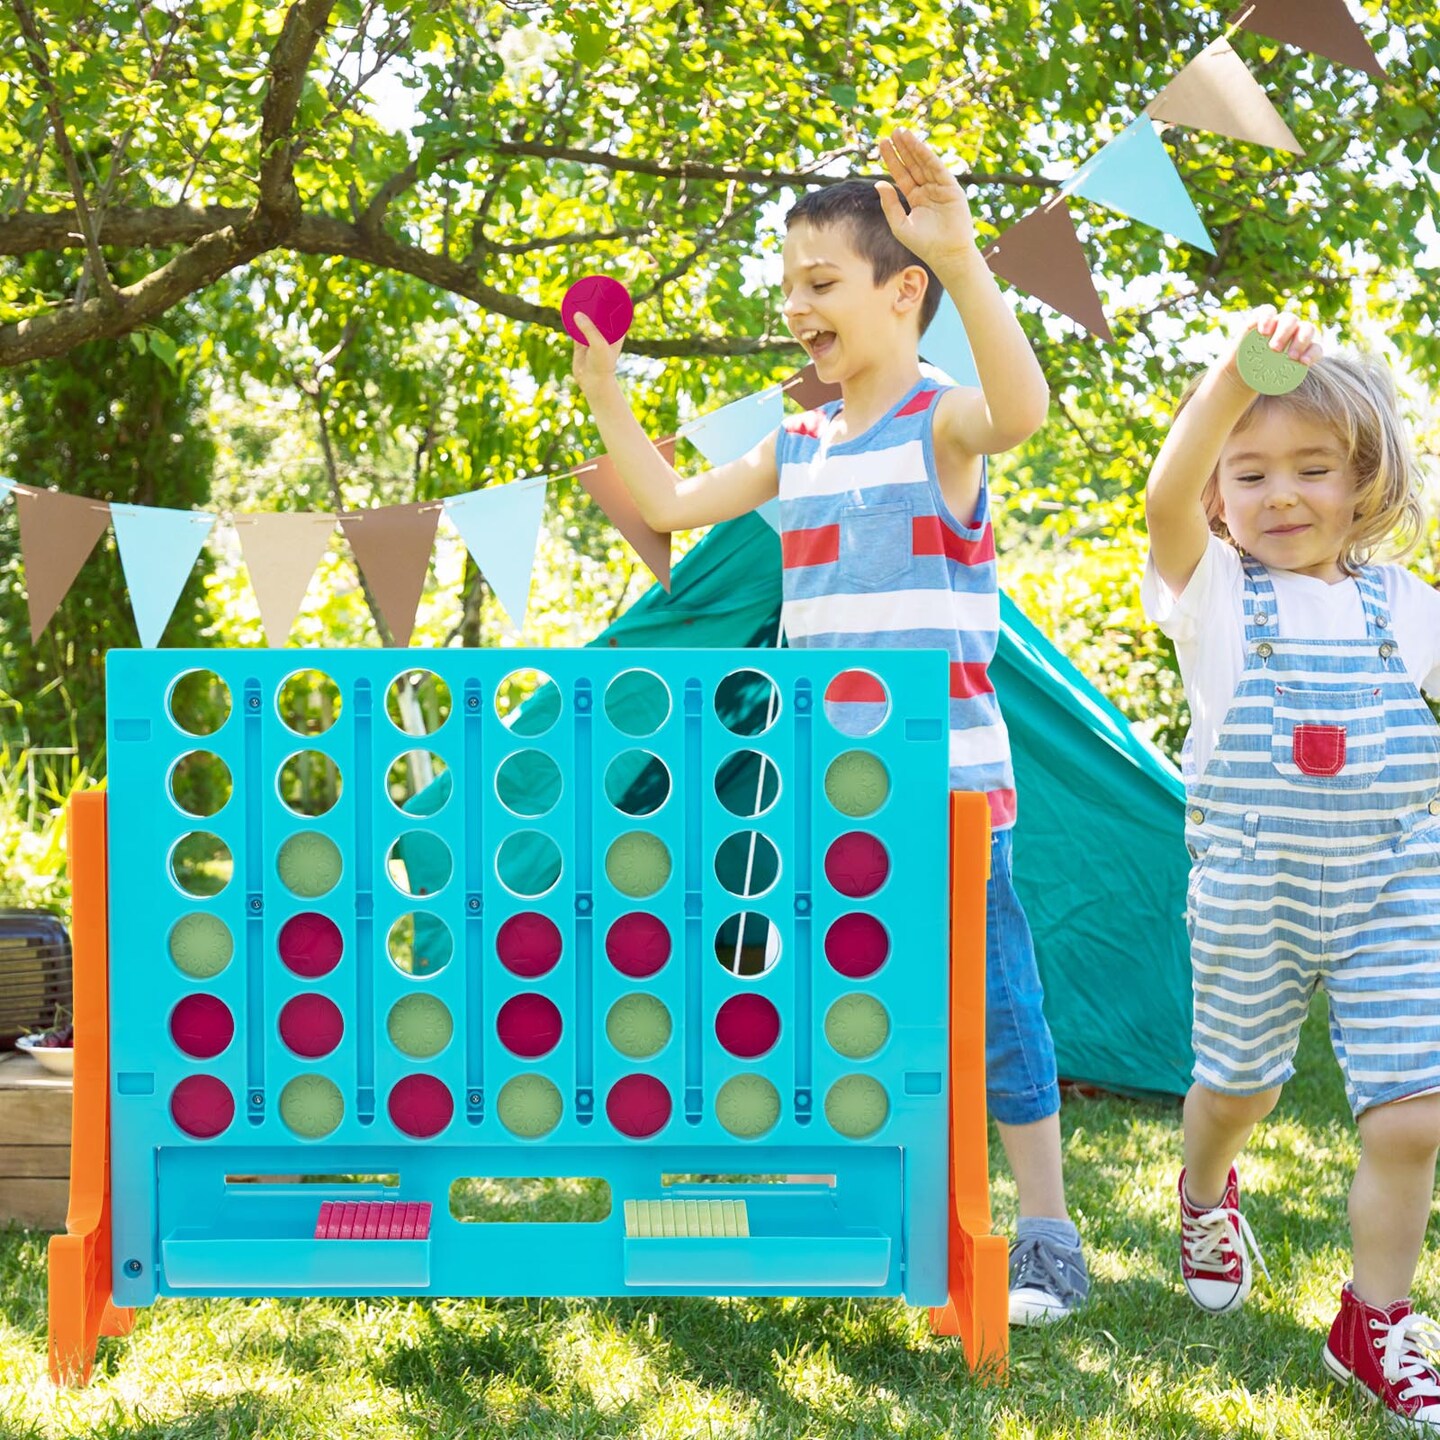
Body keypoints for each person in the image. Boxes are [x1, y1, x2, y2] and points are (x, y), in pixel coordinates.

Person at [572, 127, 1088, 1324]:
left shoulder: (940, 423)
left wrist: (963, 258)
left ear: (898, 291)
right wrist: (607, 391)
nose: (799, 306)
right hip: (826, 789)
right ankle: (858, 1196)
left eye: (823, 284)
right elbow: (665, 501)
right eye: (789, 285)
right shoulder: (795, 446)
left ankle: (1049, 1232)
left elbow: (1024, 410)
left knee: (997, 1009)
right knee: (841, 995)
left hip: (952, 795)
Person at [1143, 306, 1440, 1424]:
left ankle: (1376, 1321)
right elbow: (1166, 498)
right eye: (1250, 472)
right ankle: (1204, 1188)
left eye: (1312, 469)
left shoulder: (1408, 611)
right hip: (1250, 897)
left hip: (1395, 892)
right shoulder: (1213, 596)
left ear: (1363, 480)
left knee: (1416, 1113)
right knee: (1240, 1089)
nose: (1279, 496)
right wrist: (1229, 379)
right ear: (1220, 496)